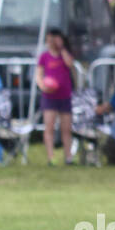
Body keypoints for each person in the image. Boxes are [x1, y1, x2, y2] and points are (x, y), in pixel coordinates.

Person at [37, 27, 76, 166]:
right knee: (49, 127)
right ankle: (51, 157)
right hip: (50, 97)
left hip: (65, 95)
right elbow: (39, 74)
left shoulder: (65, 54)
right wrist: (43, 86)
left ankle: (68, 156)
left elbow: (70, 64)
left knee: (66, 128)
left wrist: (62, 48)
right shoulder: (44, 56)